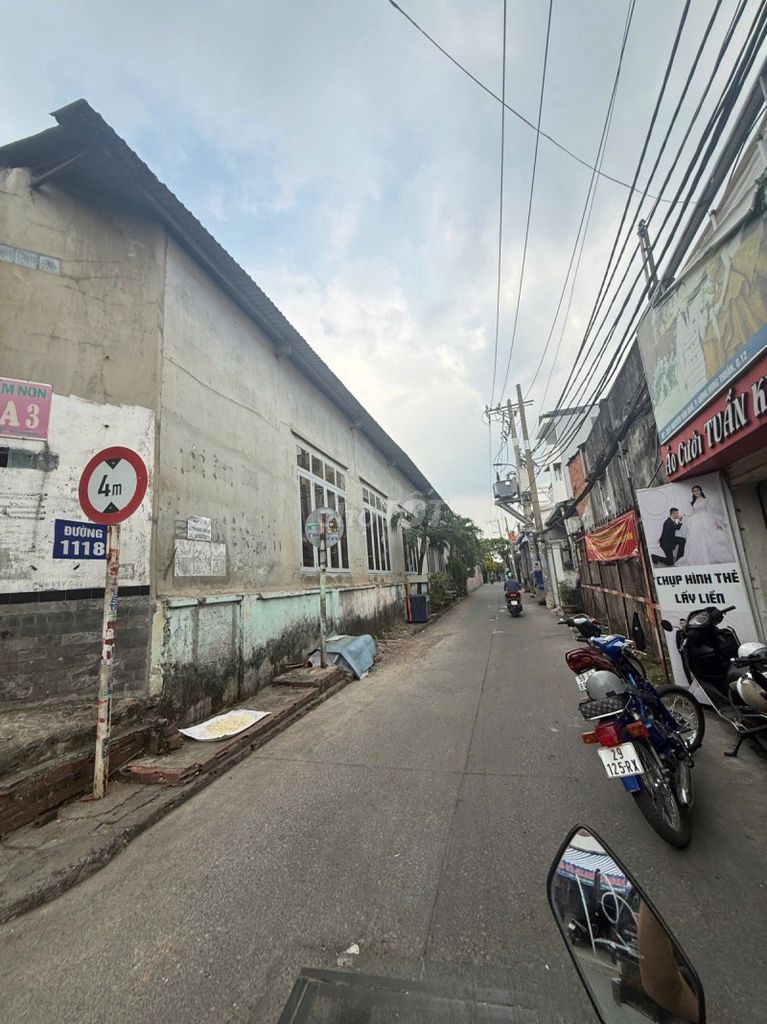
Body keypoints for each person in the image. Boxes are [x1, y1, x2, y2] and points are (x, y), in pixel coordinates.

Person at [681, 485, 734, 565]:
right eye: (694, 491)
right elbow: (694, 513)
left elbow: (710, 511)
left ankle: (714, 557)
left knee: (711, 537)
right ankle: (699, 558)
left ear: (700, 491)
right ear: (693, 493)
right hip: (696, 521)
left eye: (697, 490)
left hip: (706, 519)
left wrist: (716, 522)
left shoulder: (705, 500)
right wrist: (686, 516)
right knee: (697, 538)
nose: (696, 492)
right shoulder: (693, 502)